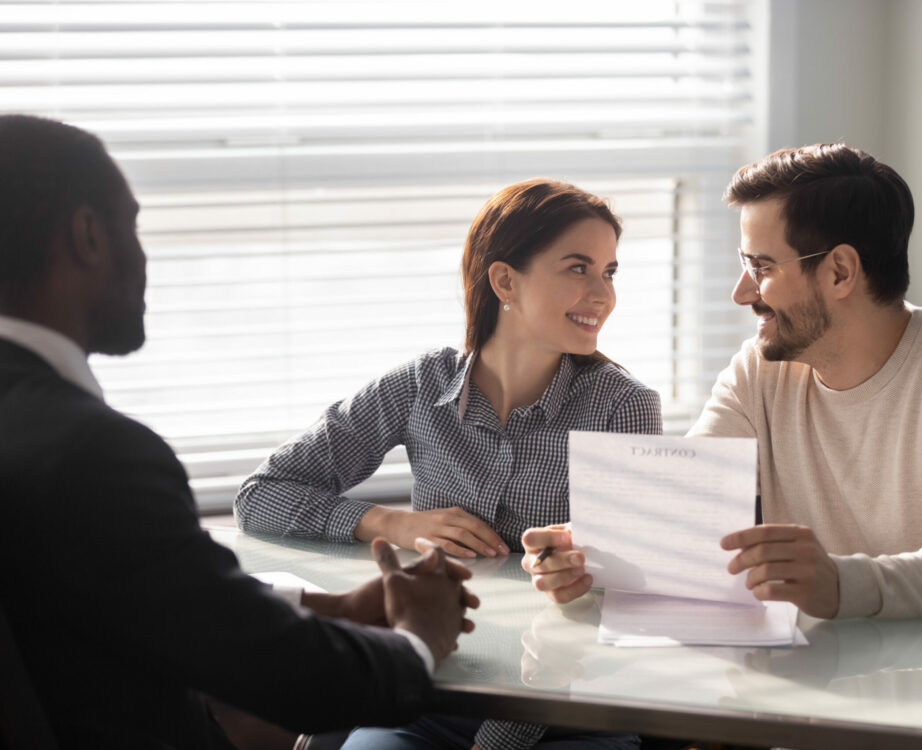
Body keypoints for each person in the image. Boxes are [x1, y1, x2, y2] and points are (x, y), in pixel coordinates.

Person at [0, 113, 477, 749]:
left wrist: (327, 608)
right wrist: (419, 637)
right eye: (132, 225)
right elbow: (293, 680)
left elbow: (133, 597)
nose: (143, 255)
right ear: (88, 235)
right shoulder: (94, 453)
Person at [522, 143, 922, 620]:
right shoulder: (760, 371)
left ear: (839, 272)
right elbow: (679, 513)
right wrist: (583, 550)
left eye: (761, 267)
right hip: (822, 684)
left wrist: (843, 584)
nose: (741, 293)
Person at [235, 179, 662, 749]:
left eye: (609, 272)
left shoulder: (623, 406)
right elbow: (261, 495)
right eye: (578, 269)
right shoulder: (419, 385)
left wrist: (496, 745)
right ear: (505, 280)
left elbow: (618, 598)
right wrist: (391, 523)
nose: (603, 295)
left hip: (571, 714)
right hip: (428, 699)